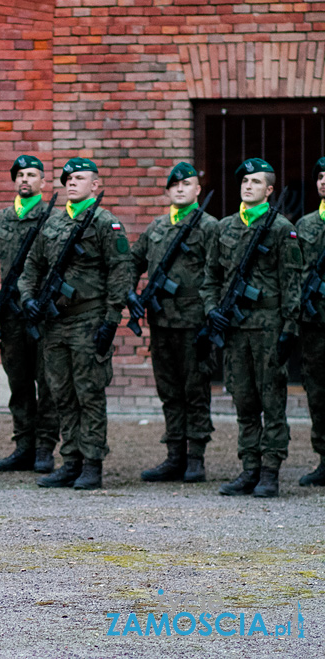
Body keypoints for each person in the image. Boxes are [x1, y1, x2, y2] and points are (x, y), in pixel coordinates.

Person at [17, 158, 133, 491]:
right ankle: (70, 461)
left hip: (89, 318)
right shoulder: (51, 224)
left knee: (89, 394)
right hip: (55, 323)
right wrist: (28, 300)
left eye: (79, 178)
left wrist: (111, 321)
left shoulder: (104, 223)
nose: (71, 182)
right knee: (61, 394)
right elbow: (31, 268)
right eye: (67, 178)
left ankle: (92, 463)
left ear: (95, 185)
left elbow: (120, 274)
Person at [202, 158, 302, 498]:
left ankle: (270, 471)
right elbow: (210, 277)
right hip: (234, 329)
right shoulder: (224, 227)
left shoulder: (280, 228)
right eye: (245, 181)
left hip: (268, 327)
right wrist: (212, 310)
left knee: (271, 400)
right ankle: (249, 468)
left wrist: (290, 328)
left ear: (269, 190)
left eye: (256, 182)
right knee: (243, 401)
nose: (248, 186)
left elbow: (292, 283)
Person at [127, 163, 217, 483]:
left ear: (197, 190)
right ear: (167, 191)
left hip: (195, 323)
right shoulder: (156, 228)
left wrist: (211, 314)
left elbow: (218, 274)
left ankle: (196, 458)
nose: (180, 189)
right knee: (169, 391)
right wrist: (130, 292)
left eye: (186, 184)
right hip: (161, 322)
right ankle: (174, 456)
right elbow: (131, 262)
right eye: (174, 185)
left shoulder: (209, 227)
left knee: (195, 390)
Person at [0, 155, 61, 474]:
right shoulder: (1, 220)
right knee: (18, 381)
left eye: (31, 174)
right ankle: (24, 446)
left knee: (46, 381)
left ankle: (45, 447)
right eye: (19, 175)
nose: (25, 179)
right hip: (11, 313)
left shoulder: (54, 219)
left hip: (43, 312)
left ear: (43, 182)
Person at [297, 157, 325, 487]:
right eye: (319, 176)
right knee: (317, 392)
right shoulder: (304, 225)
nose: (323, 181)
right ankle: (324, 458)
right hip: (314, 323)